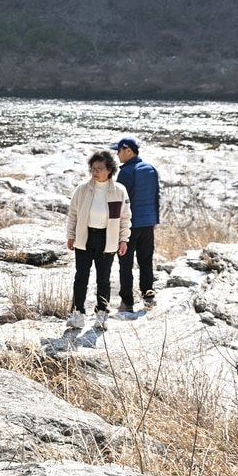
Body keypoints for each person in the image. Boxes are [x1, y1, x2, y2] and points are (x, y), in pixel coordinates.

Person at [65, 149, 132, 330]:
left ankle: (102, 315)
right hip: (85, 237)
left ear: (109, 169)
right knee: (81, 277)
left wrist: (123, 240)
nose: (95, 172)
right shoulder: (82, 189)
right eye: (93, 168)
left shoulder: (119, 191)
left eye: (99, 168)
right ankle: (77, 315)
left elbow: (125, 218)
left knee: (103, 280)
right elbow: (73, 214)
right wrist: (70, 235)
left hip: (107, 239)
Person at [111, 136, 159, 313]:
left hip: (130, 226)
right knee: (146, 261)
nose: (117, 155)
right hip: (148, 224)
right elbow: (156, 197)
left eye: (119, 151)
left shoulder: (126, 172)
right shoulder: (151, 169)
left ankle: (127, 303)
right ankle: (149, 298)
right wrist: (155, 221)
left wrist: (114, 226)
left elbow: (118, 201)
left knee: (126, 265)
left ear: (128, 150)